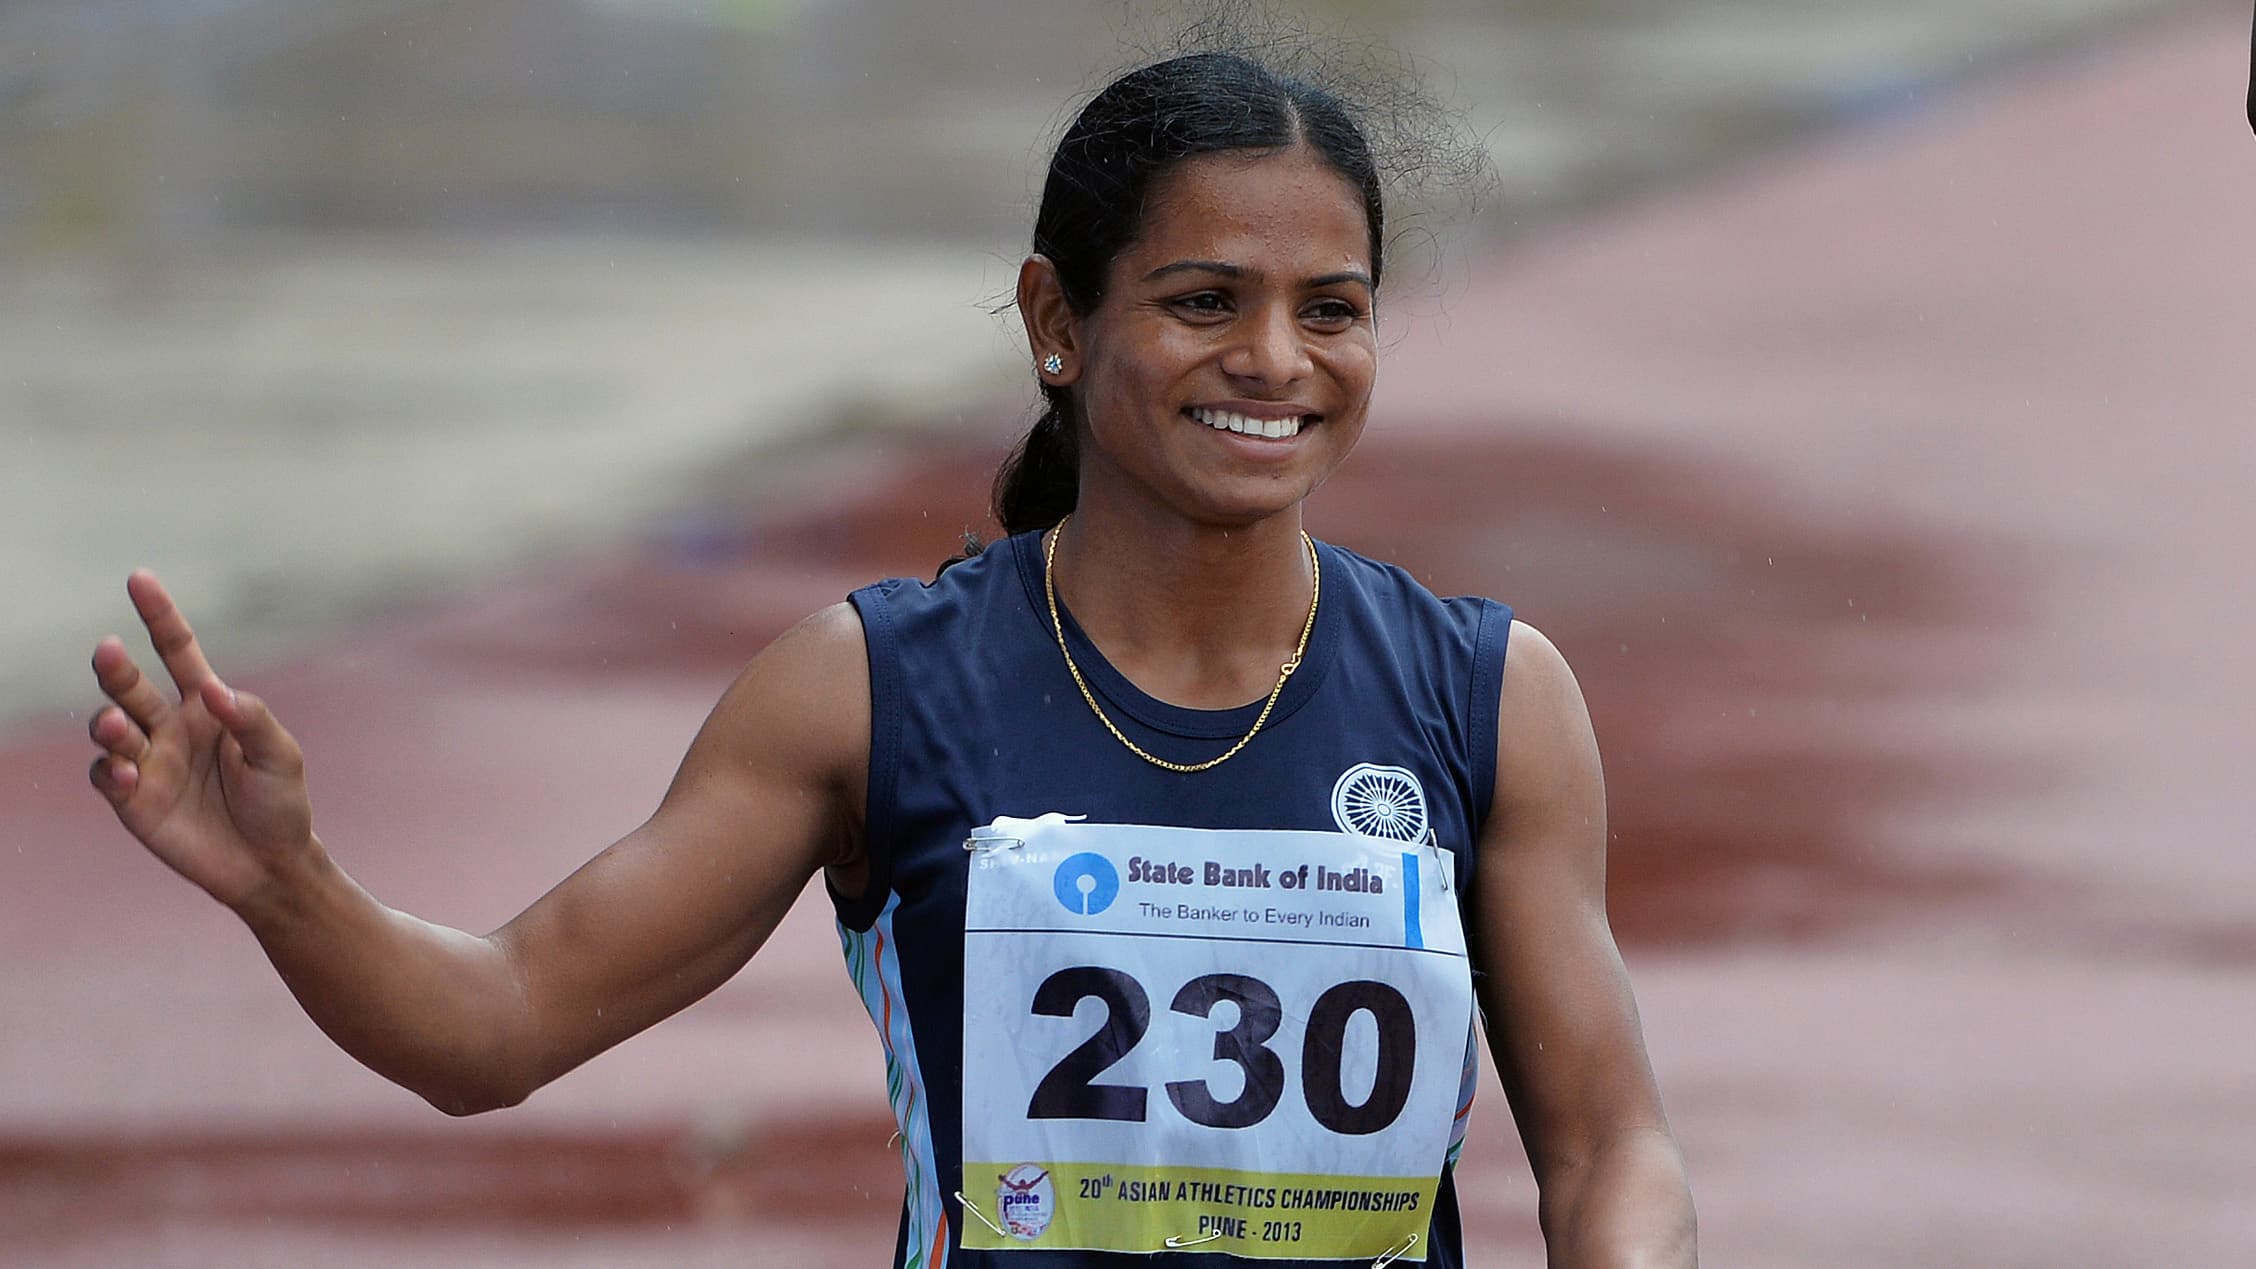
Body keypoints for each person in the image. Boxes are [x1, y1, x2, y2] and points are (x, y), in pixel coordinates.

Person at [85, 47, 1694, 1269]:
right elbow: (498, 1024)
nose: (1274, 360)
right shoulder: (870, 690)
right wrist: (287, 883)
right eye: (1206, 300)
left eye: (1329, 308)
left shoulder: (1489, 694)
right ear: (1056, 322)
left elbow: (1611, 1144)